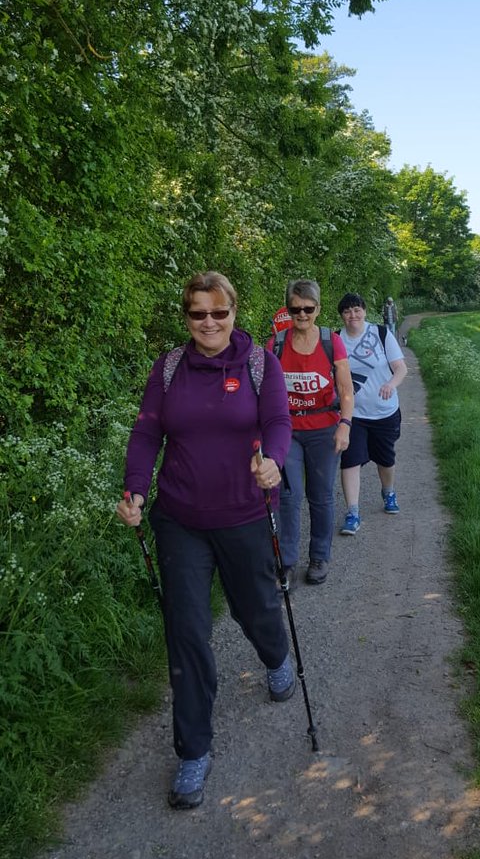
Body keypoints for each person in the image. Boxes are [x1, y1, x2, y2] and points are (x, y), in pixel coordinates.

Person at [115, 271, 293, 811]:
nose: (209, 323)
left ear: (235, 313)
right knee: (186, 630)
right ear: (186, 317)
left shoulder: (261, 365)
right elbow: (148, 431)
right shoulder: (169, 369)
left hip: (244, 512)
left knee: (255, 607)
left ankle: (276, 652)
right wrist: (135, 491)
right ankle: (194, 750)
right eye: (198, 314)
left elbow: (279, 421)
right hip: (181, 518)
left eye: (219, 312)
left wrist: (275, 465)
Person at [268, 278, 354, 587]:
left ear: (317, 309)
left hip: (324, 429)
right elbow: (265, 390)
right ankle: (286, 562)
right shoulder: (276, 343)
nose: (301, 315)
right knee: (288, 497)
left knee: (320, 496)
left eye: (308, 309)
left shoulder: (331, 341)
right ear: (288, 310)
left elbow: (345, 388)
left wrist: (345, 424)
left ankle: (319, 557)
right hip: (288, 430)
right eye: (295, 309)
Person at [337, 293, 407, 536]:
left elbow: (400, 368)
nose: (352, 315)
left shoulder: (381, 334)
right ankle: (353, 512)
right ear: (342, 316)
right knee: (350, 460)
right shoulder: (336, 340)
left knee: (385, 459)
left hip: (384, 412)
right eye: (347, 312)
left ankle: (388, 492)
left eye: (356, 310)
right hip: (352, 414)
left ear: (364, 311)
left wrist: (391, 384)